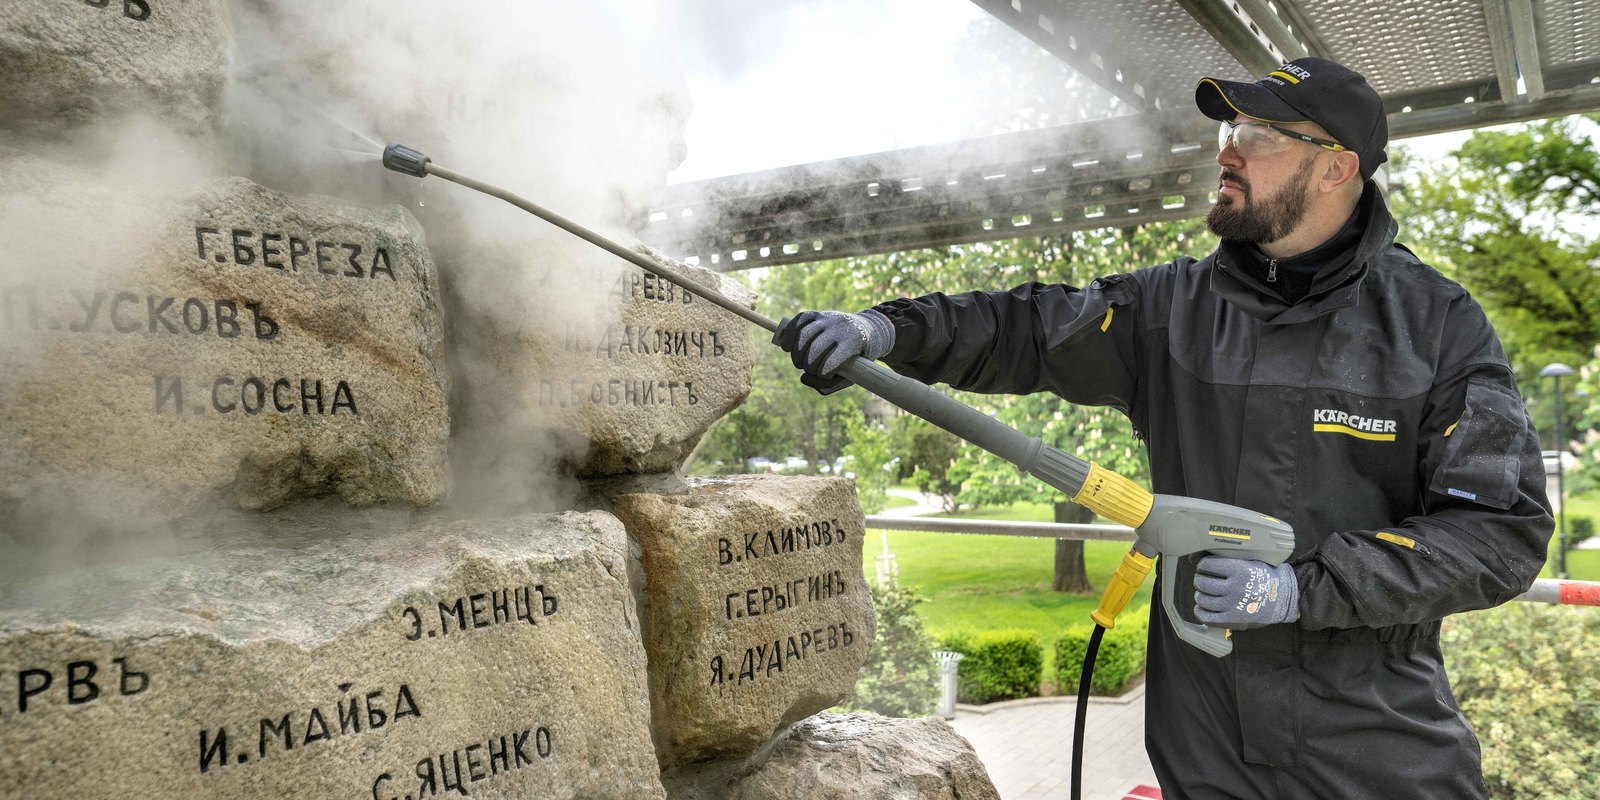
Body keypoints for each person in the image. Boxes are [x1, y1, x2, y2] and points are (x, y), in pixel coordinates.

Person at [775, 57, 1553, 798]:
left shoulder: (1436, 326)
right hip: (1204, 749)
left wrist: (1298, 590)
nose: (1228, 152)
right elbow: (1028, 329)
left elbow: (1498, 534)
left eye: (1259, 136)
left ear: (1336, 167)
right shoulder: (1171, 311)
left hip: (1378, 751)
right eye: (1227, 133)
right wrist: (887, 330)